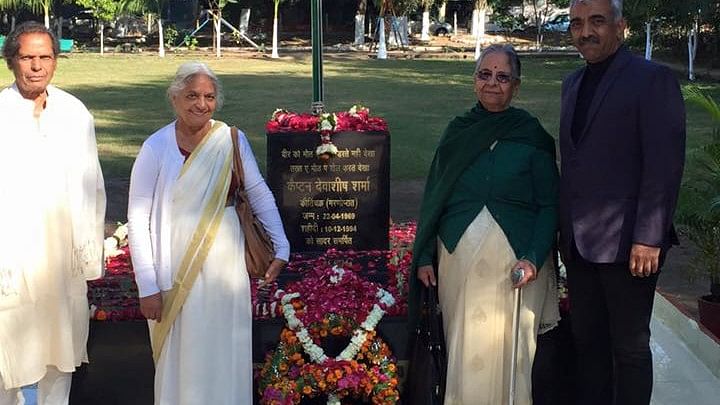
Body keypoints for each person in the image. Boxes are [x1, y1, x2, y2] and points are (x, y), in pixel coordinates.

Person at [127, 62, 290, 404]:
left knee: (225, 345)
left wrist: (281, 245)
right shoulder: (155, 148)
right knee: (182, 351)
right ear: (174, 99)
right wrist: (148, 284)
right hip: (173, 265)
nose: (200, 104)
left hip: (225, 263)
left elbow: (258, 192)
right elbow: (138, 218)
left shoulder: (230, 139)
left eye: (208, 96)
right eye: (192, 96)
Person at [410, 44, 560, 405]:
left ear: (516, 86)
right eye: (484, 74)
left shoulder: (531, 135)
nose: (492, 83)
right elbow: (435, 198)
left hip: (518, 265)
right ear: (474, 80)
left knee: (513, 356)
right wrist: (425, 255)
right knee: (463, 348)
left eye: (503, 76)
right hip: (456, 260)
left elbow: (550, 204)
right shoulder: (458, 132)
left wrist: (534, 257)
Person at [560, 1, 686, 404]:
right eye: (577, 23)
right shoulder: (572, 83)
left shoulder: (652, 80)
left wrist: (648, 237)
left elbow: (663, 165)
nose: (586, 32)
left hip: (632, 245)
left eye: (597, 21)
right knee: (589, 344)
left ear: (621, 27)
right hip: (580, 244)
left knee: (629, 350)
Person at [0, 22, 106, 405]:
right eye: (27, 57)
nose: (37, 66)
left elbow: (92, 186)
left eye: (45, 57)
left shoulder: (74, 113)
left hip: (62, 257)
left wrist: (89, 255)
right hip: (12, 259)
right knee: (8, 354)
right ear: (11, 61)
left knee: (60, 355)